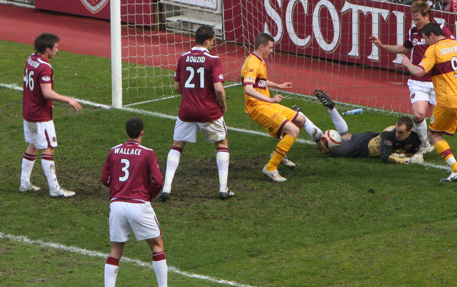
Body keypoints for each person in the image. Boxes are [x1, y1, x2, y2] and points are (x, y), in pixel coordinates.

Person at [100, 116, 176, 287]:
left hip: (117, 205)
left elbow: (105, 179)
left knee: (115, 248)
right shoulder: (147, 153)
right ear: (142, 133)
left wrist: (117, 189)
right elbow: (157, 181)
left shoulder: (113, 151)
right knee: (156, 244)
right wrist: (148, 195)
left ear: (126, 132)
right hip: (139, 204)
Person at [400, 23, 457, 182]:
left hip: (448, 100)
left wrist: (407, 63)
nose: (426, 42)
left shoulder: (433, 50)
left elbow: (419, 72)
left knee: (434, 134)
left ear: (432, 35)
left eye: (426, 39)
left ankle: (456, 170)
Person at [159, 25, 233, 201]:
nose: (213, 44)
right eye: (213, 41)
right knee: (222, 143)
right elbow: (219, 89)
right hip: (209, 111)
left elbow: (177, 86)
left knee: (177, 145)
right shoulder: (213, 60)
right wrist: (223, 105)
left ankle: (166, 188)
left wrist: (190, 97)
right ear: (207, 41)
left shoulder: (183, 58)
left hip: (187, 110)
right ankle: (223, 189)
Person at [370, 0, 455, 152]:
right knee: (418, 115)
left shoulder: (440, 29)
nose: (415, 22)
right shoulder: (413, 31)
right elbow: (405, 49)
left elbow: (453, 46)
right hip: (418, 80)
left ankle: (436, 144)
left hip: (438, 81)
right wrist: (382, 46)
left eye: (418, 19)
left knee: (437, 123)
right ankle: (424, 145)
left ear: (427, 16)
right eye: (413, 19)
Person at [241, 32, 325, 182]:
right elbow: (248, 88)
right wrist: (270, 99)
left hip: (267, 105)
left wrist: (278, 86)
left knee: (300, 120)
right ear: (261, 47)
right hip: (258, 108)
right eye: (270, 48)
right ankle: (270, 168)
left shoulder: (258, 60)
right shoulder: (252, 63)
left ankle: (278, 154)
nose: (272, 51)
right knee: (293, 130)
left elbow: (260, 82)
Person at [20, 32, 82, 197]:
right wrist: (68, 99)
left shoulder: (30, 58)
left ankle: (24, 183)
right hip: (40, 115)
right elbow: (47, 92)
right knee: (48, 148)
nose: (57, 50)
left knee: (33, 145)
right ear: (47, 49)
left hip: (29, 110)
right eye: (55, 48)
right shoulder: (45, 67)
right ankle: (54, 188)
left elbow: (33, 86)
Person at [314, 91, 424, 164]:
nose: (397, 134)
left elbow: (416, 150)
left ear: (409, 131)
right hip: (365, 146)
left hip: (372, 137)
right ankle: (312, 130)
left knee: (345, 136)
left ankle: (331, 109)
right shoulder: (390, 135)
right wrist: (407, 160)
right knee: (326, 149)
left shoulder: (415, 137)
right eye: (396, 131)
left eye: (400, 132)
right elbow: (385, 158)